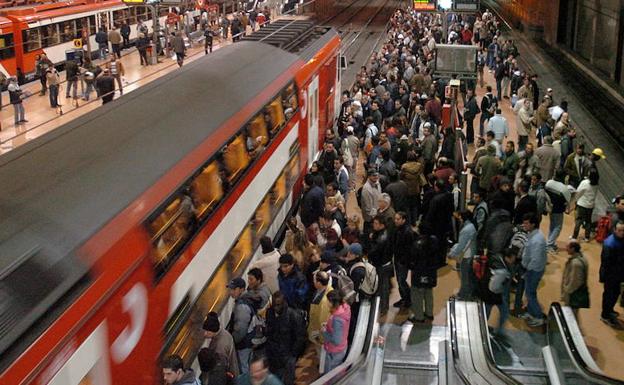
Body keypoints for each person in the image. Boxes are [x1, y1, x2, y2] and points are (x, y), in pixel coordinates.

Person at [265, 291, 306, 385]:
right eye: (274, 305)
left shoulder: (293, 316)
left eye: (278, 305)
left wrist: (293, 354)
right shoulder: (269, 313)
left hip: (288, 355)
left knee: (288, 381)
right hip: (273, 354)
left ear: (284, 303)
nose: (276, 308)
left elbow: (300, 337)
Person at [520, 214, 547, 327]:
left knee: (530, 294)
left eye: (526, 223)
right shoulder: (533, 235)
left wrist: (526, 270)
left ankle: (538, 317)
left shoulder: (537, 240)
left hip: (534, 270)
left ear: (533, 224)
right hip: (532, 269)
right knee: (529, 292)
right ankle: (531, 313)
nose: (524, 225)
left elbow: (535, 259)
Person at [226, 277, 255, 374]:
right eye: (230, 289)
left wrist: (232, 341)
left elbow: (240, 331)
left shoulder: (242, 306)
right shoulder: (243, 301)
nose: (231, 292)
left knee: (243, 369)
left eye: (233, 289)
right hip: (247, 342)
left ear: (241, 289)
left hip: (243, 344)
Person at [409, 231, 438, 323]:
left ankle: (419, 316)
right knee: (429, 293)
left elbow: (412, 259)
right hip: (431, 273)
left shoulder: (418, 244)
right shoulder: (434, 241)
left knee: (417, 294)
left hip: (419, 273)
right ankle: (429, 314)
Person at [599, 220, 624, 327]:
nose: (622, 232)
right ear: (614, 230)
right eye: (619, 230)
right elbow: (606, 263)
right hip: (610, 275)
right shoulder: (609, 243)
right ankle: (605, 315)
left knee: (616, 293)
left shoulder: (621, 240)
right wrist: (604, 277)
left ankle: (610, 310)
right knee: (609, 295)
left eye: (623, 230)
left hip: (618, 273)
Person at [448, 210, 477, 299]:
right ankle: (470, 293)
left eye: (460, 216)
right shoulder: (472, 226)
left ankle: (463, 295)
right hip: (471, 253)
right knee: (469, 276)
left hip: (466, 256)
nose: (459, 218)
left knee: (464, 277)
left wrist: (451, 254)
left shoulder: (465, 230)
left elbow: (461, 246)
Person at [202, 312, 239, 377]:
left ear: (212, 331)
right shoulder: (224, 333)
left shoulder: (220, 347)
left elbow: (221, 368)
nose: (205, 334)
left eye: (207, 331)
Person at [322, 290, 351, 373]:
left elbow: (336, 340)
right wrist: (328, 325)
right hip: (342, 346)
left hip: (335, 351)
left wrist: (324, 331)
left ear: (332, 303)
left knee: (331, 374)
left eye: (328, 301)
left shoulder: (337, 318)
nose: (327, 303)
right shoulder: (345, 308)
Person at [390, 211, 414, 309]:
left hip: (402, 261)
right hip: (398, 259)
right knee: (400, 281)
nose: (395, 221)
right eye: (395, 219)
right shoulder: (397, 229)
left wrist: (403, 261)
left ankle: (408, 299)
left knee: (401, 281)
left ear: (403, 220)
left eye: (398, 219)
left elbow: (409, 249)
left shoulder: (407, 232)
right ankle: (404, 298)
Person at [367, 215, 391, 314]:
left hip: (382, 265)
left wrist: (371, 240)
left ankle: (384, 308)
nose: (374, 225)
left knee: (383, 287)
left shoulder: (381, 238)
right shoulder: (381, 233)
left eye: (376, 224)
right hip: (382, 263)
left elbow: (373, 252)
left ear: (382, 225)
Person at [561, 241, 589, 317]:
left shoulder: (576, 264)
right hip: (575, 292)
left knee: (570, 315)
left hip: (573, 295)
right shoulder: (582, 258)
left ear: (573, 249)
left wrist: (567, 291)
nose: (565, 248)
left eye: (567, 247)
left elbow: (575, 281)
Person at [573, 169, 599, 241]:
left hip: (582, 204)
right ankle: (587, 237)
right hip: (590, 205)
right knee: (588, 221)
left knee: (579, 220)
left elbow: (578, 192)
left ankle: (574, 237)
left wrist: (576, 200)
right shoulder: (596, 184)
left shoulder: (585, 182)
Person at [308, 271, 333, 345]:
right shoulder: (324, 290)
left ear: (319, 283)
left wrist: (320, 337)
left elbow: (323, 321)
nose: (313, 282)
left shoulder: (325, 301)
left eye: (314, 280)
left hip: (319, 334)